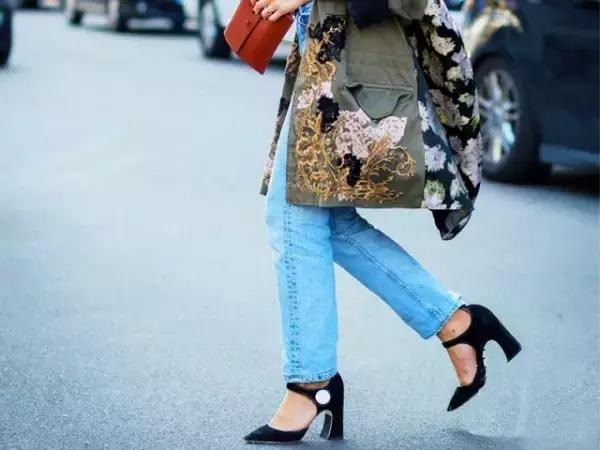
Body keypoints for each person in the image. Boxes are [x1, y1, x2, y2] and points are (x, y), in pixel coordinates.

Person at [244, 0, 521, 444]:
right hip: (325, 53)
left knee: (293, 216)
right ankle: (457, 324)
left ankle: (311, 383)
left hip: (353, 60)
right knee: (326, 220)